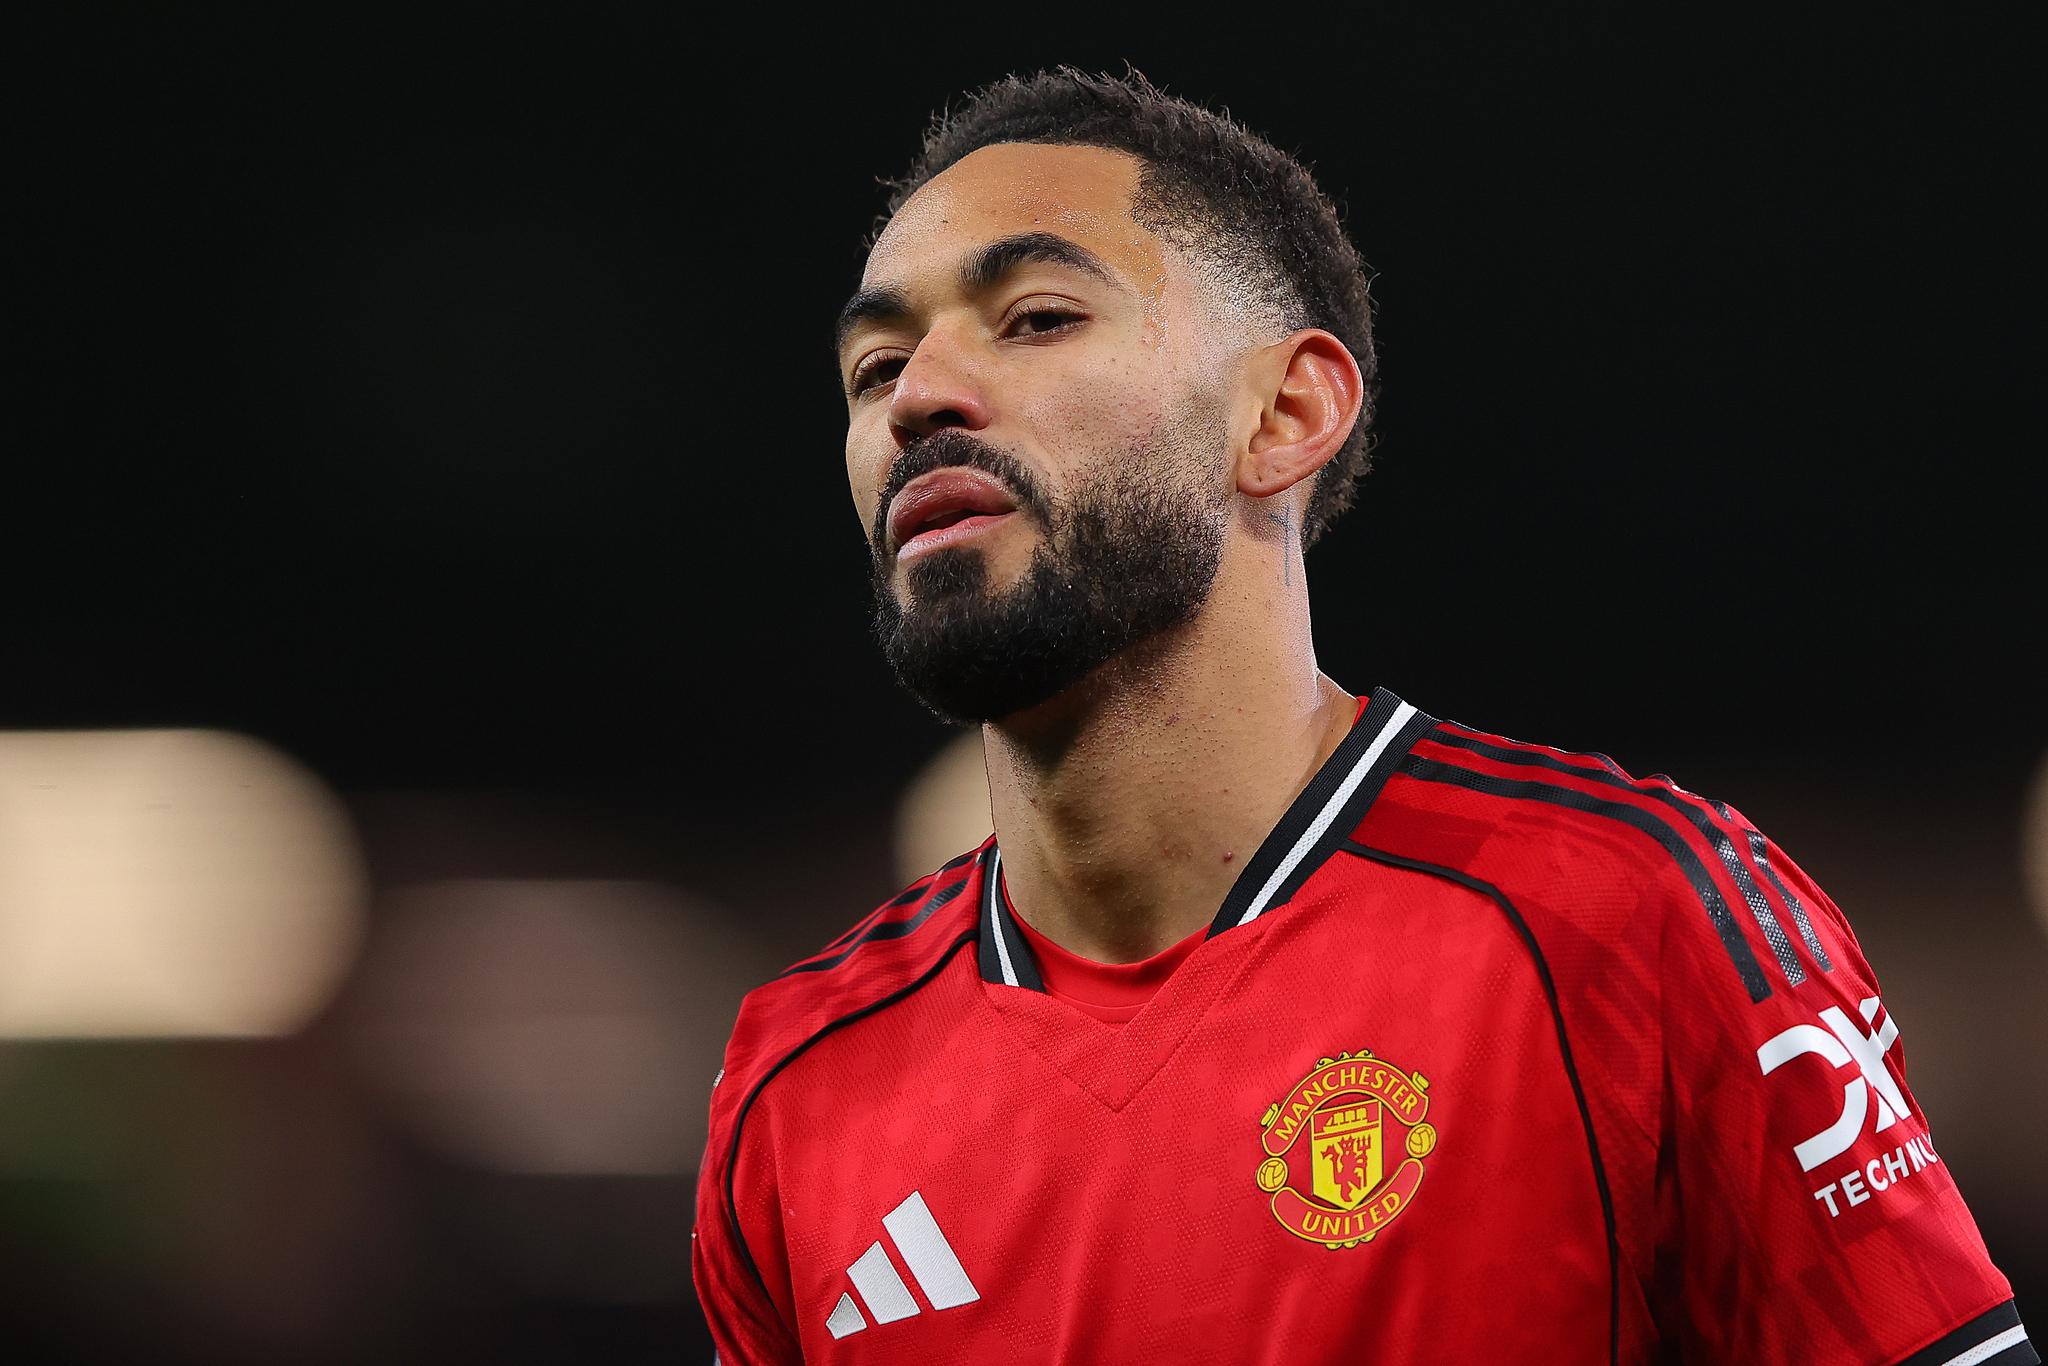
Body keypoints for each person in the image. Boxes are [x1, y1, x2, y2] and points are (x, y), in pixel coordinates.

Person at [691, 68, 2034, 1365]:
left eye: (1037, 317)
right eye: (875, 366)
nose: (918, 394)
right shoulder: (796, 1083)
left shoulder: (1632, 925)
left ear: (1286, 412)